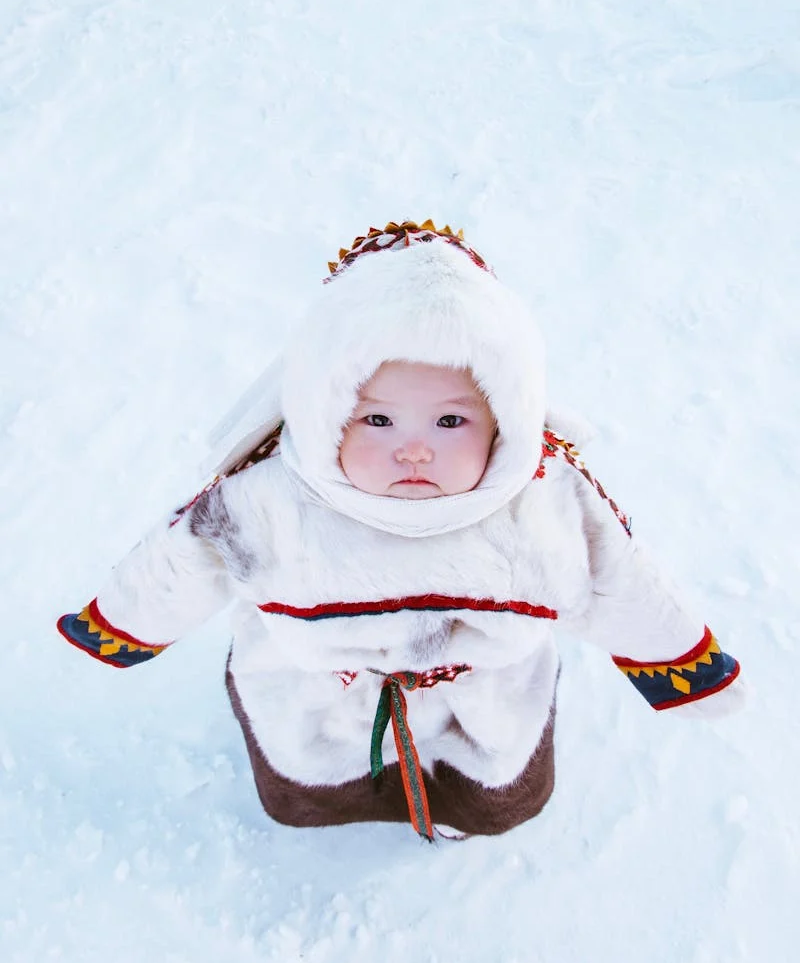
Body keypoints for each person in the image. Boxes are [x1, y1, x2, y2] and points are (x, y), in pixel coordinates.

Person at [58, 220, 743, 842]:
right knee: (317, 776)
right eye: (378, 421)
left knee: (484, 782)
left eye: (450, 422)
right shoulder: (272, 497)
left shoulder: (541, 499)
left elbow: (619, 577)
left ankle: (461, 815)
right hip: (317, 694)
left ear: (506, 419)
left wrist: (682, 663)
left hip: (484, 696)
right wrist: (125, 624)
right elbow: (182, 561)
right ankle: (337, 811)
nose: (413, 450)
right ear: (323, 411)